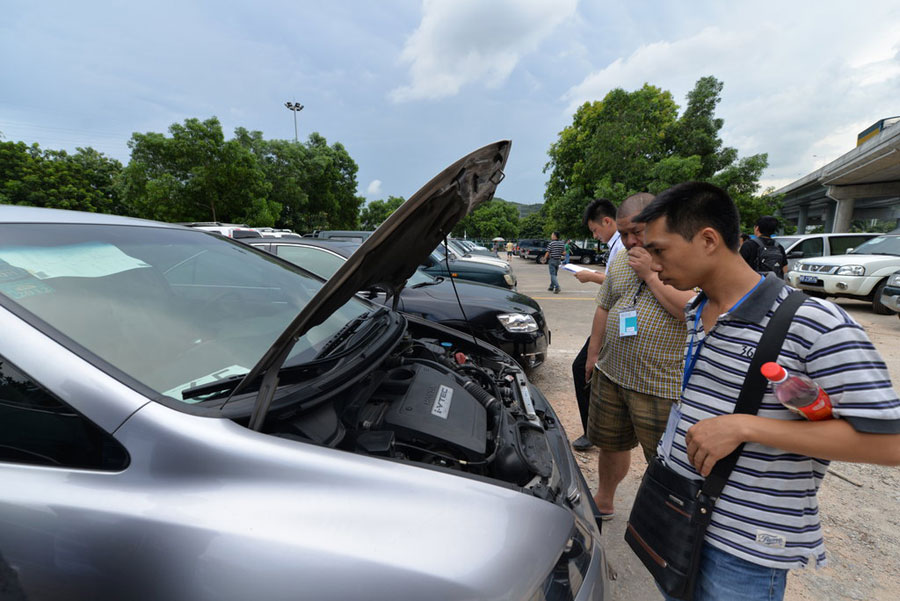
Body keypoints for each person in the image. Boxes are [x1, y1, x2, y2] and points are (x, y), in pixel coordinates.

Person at [635, 182, 900, 601]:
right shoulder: (698, 308)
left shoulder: (816, 324)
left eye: (660, 250)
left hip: (744, 549)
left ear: (708, 240)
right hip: (682, 514)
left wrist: (746, 427)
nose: (652, 263)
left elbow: (891, 445)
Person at [585, 193, 694, 518]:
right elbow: (604, 307)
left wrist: (650, 274)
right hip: (612, 373)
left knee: (665, 458)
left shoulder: (683, 258)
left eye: (637, 231)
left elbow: (689, 312)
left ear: (660, 222)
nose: (630, 241)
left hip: (659, 385)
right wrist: (593, 356)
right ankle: (604, 500)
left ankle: (667, 521)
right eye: (623, 234)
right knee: (610, 443)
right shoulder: (620, 259)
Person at [569, 198, 622, 451]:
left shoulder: (621, 244)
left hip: (616, 320)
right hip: (614, 318)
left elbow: (615, 283)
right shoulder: (617, 244)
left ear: (607, 221)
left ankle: (595, 431)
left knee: (583, 367)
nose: (595, 236)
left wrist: (591, 276)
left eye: (595, 230)